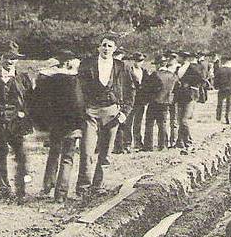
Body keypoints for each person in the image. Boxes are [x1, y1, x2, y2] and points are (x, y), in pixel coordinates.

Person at [75, 34, 133, 196]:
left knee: (106, 152)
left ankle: (98, 186)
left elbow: (130, 91)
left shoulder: (122, 67)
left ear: (115, 49)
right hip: (91, 112)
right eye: (104, 45)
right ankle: (83, 188)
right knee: (87, 151)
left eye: (110, 46)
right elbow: (79, 88)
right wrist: (83, 110)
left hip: (112, 113)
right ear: (98, 48)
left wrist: (124, 113)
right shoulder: (87, 65)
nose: (106, 48)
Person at [0, 51, 34, 203]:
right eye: (7, 58)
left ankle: (21, 190)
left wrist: (24, 113)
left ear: (17, 61)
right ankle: (4, 190)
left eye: (13, 58)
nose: (10, 61)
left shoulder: (23, 79)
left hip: (16, 123)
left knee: (21, 156)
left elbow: (31, 100)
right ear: (1, 59)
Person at [36, 51, 83, 203]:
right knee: (67, 159)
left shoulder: (48, 79)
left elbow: (42, 103)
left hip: (55, 124)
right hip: (71, 124)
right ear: (69, 62)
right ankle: (61, 195)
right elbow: (78, 104)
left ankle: (47, 187)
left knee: (54, 154)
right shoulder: (74, 80)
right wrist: (80, 123)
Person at [144, 55, 178, 151]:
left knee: (149, 124)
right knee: (162, 124)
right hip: (166, 103)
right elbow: (176, 89)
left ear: (158, 65)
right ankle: (163, 145)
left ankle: (148, 146)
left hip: (154, 102)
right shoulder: (172, 75)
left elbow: (147, 88)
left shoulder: (155, 75)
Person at [214, 57, 231, 124]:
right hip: (229, 89)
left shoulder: (219, 70)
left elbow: (216, 80)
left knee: (220, 103)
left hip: (221, 88)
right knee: (228, 104)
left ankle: (218, 117)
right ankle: (227, 117)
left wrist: (216, 86)